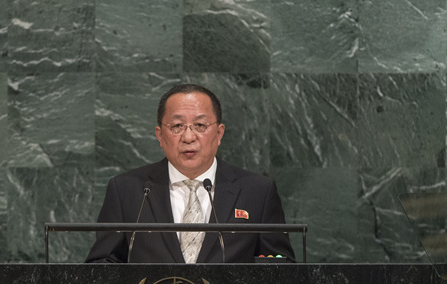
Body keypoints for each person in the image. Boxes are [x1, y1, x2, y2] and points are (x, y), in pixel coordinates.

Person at [85, 84, 295, 263]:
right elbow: (104, 265)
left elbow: (280, 267)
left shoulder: (258, 192)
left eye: (200, 125)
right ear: (159, 135)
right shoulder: (127, 190)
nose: (188, 137)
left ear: (219, 133)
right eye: (176, 126)